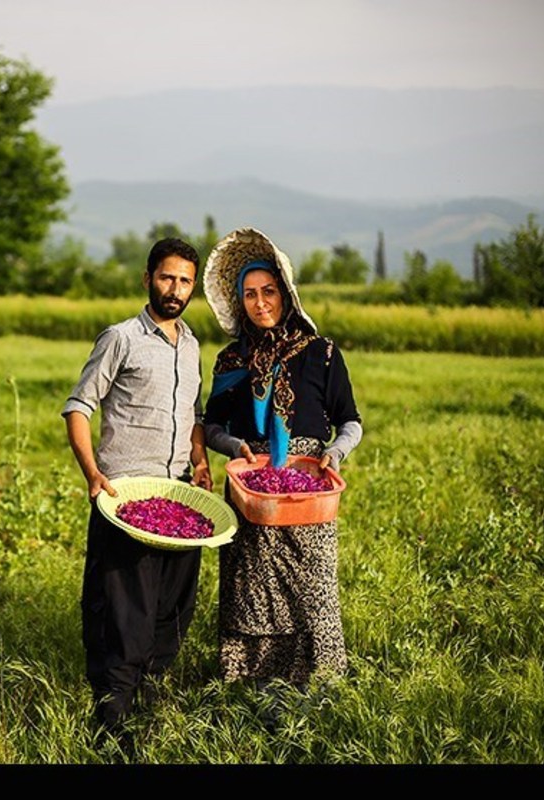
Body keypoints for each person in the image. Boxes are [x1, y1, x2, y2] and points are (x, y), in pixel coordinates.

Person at [200, 227, 362, 716]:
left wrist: (334, 454)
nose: (259, 302)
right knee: (252, 583)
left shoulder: (323, 353)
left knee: (311, 579)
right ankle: (251, 684)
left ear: (286, 293)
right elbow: (210, 426)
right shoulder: (232, 359)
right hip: (253, 486)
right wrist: (235, 448)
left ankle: (320, 681)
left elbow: (350, 421)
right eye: (249, 294)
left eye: (268, 291)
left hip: (308, 485)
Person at [61, 237, 213, 748]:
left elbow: (193, 415)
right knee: (123, 616)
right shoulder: (121, 339)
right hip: (125, 498)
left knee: (172, 611)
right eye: (167, 277)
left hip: (178, 499)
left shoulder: (192, 345)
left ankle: (146, 709)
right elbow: (79, 407)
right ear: (147, 278)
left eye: (185, 281)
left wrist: (200, 458)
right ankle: (109, 728)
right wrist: (92, 473)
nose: (176, 289)